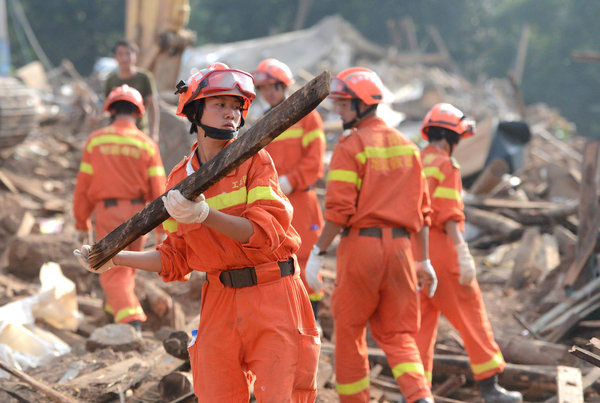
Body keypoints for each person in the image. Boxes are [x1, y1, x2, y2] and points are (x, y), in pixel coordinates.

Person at [74, 63, 319, 402]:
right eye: (220, 104)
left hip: (273, 292)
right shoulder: (178, 180)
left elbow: (266, 234)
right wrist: (115, 259)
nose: (231, 113)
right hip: (219, 297)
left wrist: (205, 214)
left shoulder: (255, 161)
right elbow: (176, 258)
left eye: (237, 106)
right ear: (194, 111)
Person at [304, 67, 437, 403]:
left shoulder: (352, 146)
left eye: (345, 104)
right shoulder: (408, 147)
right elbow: (423, 213)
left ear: (364, 105)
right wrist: (423, 261)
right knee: (398, 334)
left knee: (349, 331)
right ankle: (420, 397)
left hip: (362, 248)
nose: (339, 110)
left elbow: (338, 212)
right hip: (402, 252)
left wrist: (317, 253)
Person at [414, 103, 522, 402]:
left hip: (415, 251)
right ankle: (490, 387)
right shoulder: (447, 165)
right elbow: (447, 214)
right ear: (453, 137)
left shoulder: (416, 160)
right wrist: (462, 251)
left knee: (421, 324)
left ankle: (415, 392)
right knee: (471, 315)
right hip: (441, 249)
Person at [73, 84, 166, 331]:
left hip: (109, 213)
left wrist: (81, 222)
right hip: (140, 216)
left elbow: (83, 187)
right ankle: (111, 312)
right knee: (125, 266)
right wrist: (162, 228)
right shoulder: (147, 144)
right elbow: (158, 188)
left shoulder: (96, 141)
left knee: (113, 269)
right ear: (138, 113)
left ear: (111, 110)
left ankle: (131, 321)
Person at [254, 58, 326, 315]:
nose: (268, 92)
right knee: (272, 258)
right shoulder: (265, 121)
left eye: (272, 86)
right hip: (273, 201)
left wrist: (290, 181)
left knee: (305, 258)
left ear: (283, 85)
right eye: (263, 88)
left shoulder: (308, 118)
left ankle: (312, 318)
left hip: (301, 200)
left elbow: (315, 162)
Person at [104, 40, 160, 142]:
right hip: (116, 133)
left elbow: (153, 106)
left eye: (128, 54)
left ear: (135, 56)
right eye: (120, 54)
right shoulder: (110, 80)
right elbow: (106, 108)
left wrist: (154, 132)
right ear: (115, 57)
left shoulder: (144, 78)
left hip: (140, 131)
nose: (124, 58)